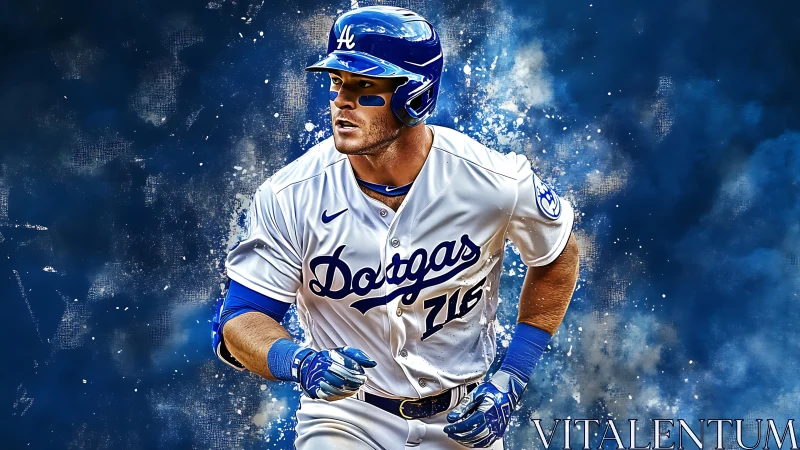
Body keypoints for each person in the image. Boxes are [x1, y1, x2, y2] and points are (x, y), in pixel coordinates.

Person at [211, 5, 579, 449]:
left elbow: (558, 253)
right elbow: (241, 318)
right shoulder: (289, 194)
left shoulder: (493, 180)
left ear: (416, 96)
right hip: (346, 415)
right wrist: (299, 360)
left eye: (364, 86)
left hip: (462, 420)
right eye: (336, 83)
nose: (341, 101)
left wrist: (514, 374)